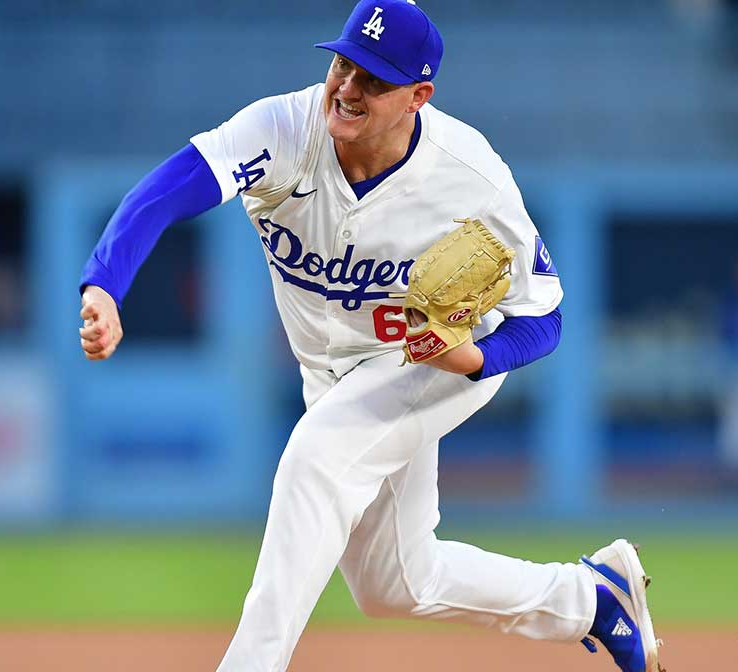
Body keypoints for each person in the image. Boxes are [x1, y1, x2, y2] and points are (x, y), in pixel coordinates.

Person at [77, 2, 662, 671]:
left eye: (374, 80)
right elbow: (167, 190)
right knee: (395, 584)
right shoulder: (284, 128)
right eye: (343, 64)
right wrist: (104, 284)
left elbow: (546, 316)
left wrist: (475, 356)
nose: (348, 88)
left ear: (419, 96)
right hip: (330, 375)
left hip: (431, 365)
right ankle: (589, 598)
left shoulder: (469, 177)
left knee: (314, 458)